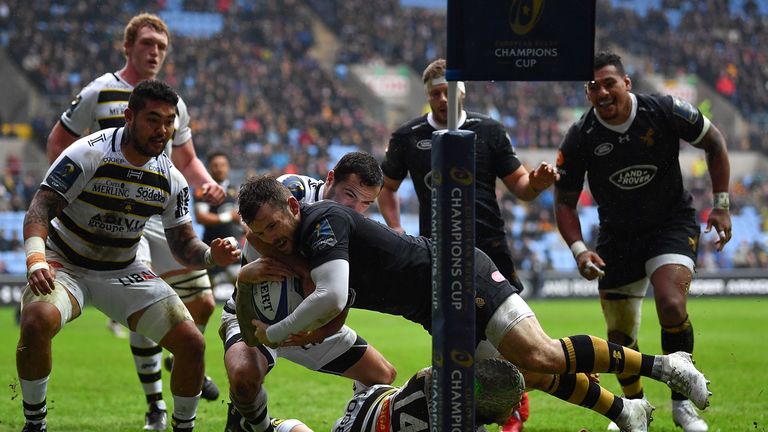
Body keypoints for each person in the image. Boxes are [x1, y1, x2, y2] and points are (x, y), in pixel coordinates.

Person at [237, 175, 714, 432]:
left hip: (457, 273)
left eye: (275, 228)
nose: (271, 240)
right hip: (432, 311)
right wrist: (246, 273)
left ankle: (668, 366)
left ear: (293, 208)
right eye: (261, 236)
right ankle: (626, 413)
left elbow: (334, 296)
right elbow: (336, 306)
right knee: (532, 375)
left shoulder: (323, 222)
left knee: (540, 354)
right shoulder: (297, 248)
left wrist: (275, 334)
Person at [16, 80, 241, 432]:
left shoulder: (172, 178)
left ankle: (183, 427)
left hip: (123, 269)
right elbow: (40, 208)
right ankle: (35, 424)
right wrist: (36, 260)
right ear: (129, 116)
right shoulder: (87, 153)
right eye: (153, 120)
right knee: (35, 322)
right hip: (67, 263)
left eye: (169, 122)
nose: (162, 130)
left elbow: (183, 245)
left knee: (192, 343)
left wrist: (212, 256)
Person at [45, 13, 225, 429]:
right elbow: (60, 140)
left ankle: (173, 351)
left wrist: (207, 185)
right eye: (147, 44)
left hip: (157, 211)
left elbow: (187, 159)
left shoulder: (172, 101)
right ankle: (156, 407)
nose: (155, 52)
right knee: (142, 294)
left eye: (161, 47)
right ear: (128, 47)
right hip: (111, 220)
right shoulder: (99, 91)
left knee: (203, 302)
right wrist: (58, 192)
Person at [553, 51, 731, 432]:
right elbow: (564, 202)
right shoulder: (581, 135)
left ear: (627, 83)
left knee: (670, 302)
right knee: (619, 335)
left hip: (671, 224)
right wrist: (580, 250)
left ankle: (683, 406)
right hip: (617, 237)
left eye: (609, 83)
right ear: (587, 93)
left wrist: (722, 204)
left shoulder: (664, 110)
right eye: (593, 86)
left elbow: (715, 143)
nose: (601, 92)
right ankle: (635, 407)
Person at [377, 57, 557, 431]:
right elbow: (387, 188)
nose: (443, 99)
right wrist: (395, 227)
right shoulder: (408, 137)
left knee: (511, 343)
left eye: (448, 91)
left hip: (490, 248)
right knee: (465, 343)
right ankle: (497, 409)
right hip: (440, 254)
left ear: (463, 91)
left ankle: (512, 410)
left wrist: (538, 183)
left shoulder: (488, 131)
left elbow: (521, 187)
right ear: (428, 96)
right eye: (435, 94)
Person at [221, 152, 396, 432]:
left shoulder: (351, 227)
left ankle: (352, 425)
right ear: (330, 178)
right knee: (244, 378)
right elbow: (255, 233)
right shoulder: (294, 189)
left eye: (366, 203)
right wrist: (306, 272)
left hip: (307, 319)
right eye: (350, 194)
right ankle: (259, 425)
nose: (355, 207)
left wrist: (313, 334)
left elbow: (340, 303)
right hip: (257, 310)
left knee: (382, 376)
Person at [332, 358, 525, 432]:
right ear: (490, 406)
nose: (518, 406)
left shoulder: (432, 379)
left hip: (371, 400)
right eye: (513, 403)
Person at [193, 151, 243, 302]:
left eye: (222, 165)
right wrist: (228, 217)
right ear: (209, 168)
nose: (219, 168)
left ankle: (238, 323)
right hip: (211, 248)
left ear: (228, 167)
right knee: (204, 296)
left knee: (244, 289)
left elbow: (240, 217)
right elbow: (201, 217)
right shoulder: (204, 190)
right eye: (215, 165)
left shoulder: (235, 190)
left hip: (233, 248)